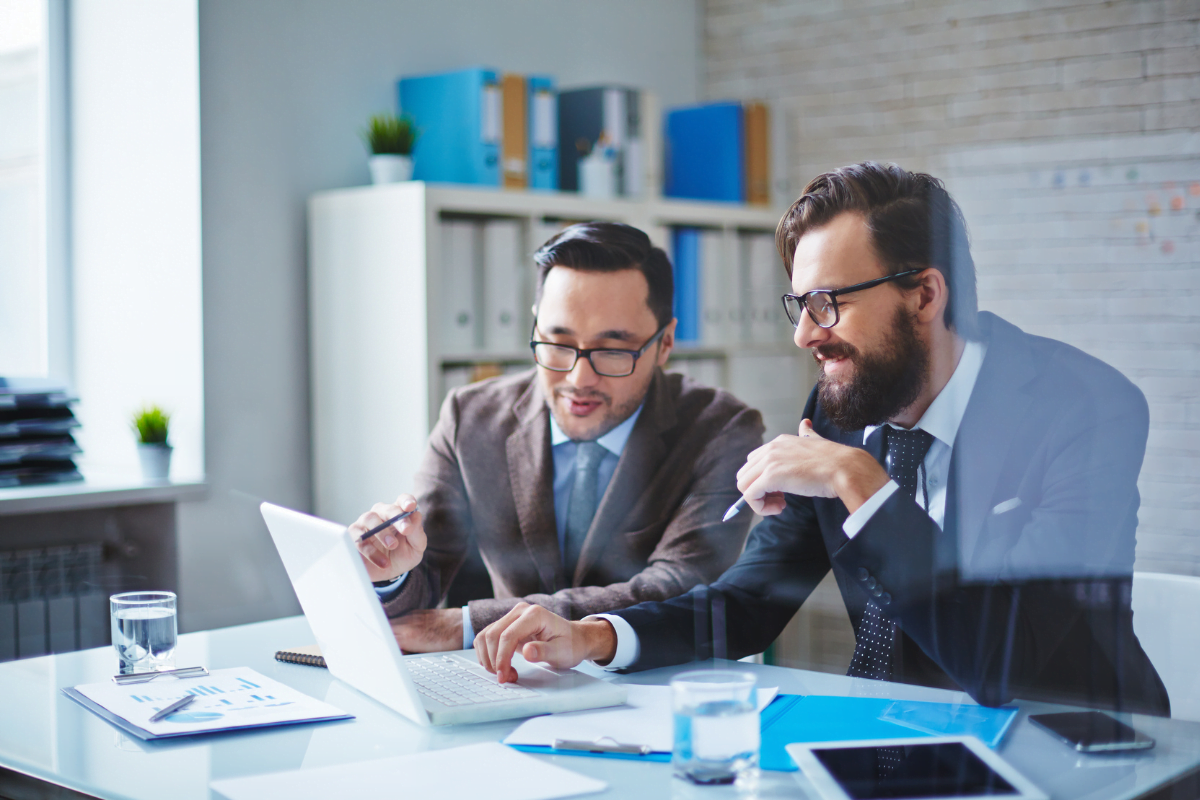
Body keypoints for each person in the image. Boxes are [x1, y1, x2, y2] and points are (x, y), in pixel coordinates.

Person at [473, 163, 1170, 716]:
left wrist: (863, 485)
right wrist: (595, 638)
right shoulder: (840, 411)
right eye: (799, 306)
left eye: (828, 303)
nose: (805, 334)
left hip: (1077, 748)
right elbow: (748, 604)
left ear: (924, 296)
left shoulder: (1085, 410)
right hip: (888, 740)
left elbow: (1005, 659)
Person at [352, 222, 765, 653]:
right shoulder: (469, 418)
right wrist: (388, 569)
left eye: (612, 350)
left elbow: (678, 588)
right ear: (535, 327)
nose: (578, 378)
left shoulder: (722, 430)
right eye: (558, 343)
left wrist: (470, 623)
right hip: (510, 682)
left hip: (655, 686)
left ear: (665, 344)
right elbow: (424, 572)